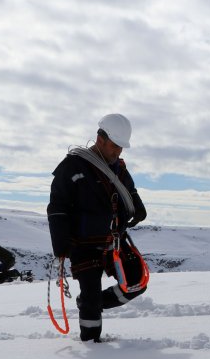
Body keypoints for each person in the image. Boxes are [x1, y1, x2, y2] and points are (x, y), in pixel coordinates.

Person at [47, 114, 148, 342]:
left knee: (136, 282)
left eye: (121, 147)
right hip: (83, 244)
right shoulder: (72, 167)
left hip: (114, 240)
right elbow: (57, 207)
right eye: (114, 146)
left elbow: (129, 190)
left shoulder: (119, 168)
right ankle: (92, 345)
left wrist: (137, 205)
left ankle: (90, 302)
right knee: (91, 298)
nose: (118, 152)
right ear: (100, 139)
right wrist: (60, 244)